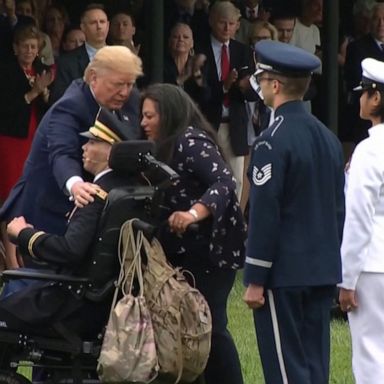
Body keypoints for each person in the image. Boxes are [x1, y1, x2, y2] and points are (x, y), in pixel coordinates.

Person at [243, 40, 345, 384]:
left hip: (284, 274)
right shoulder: (328, 137)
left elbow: (265, 212)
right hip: (321, 269)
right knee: (316, 367)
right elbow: (337, 209)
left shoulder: (272, 140)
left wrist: (256, 277)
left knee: (286, 369)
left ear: (274, 84)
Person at [0, 45, 142, 269]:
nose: (125, 92)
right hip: (47, 206)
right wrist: (75, 184)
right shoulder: (70, 106)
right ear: (93, 78)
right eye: (118, 84)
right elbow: (61, 152)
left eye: (130, 84)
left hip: (90, 214)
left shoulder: (130, 99)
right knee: (34, 291)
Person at [140, 83, 246, 384]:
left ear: (169, 114)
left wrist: (192, 213)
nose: (143, 123)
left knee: (210, 327)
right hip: (182, 252)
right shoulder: (161, 146)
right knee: (187, 329)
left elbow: (225, 183)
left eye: (150, 116)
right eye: (142, 116)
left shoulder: (190, 141)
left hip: (209, 253)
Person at [0, 108, 135, 337]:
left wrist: (23, 234)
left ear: (111, 150)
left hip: (70, 306)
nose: (83, 147)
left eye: (92, 141)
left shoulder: (95, 195)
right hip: (99, 305)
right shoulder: (126, 190)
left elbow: (70, 250)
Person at [338, 58, 384, 384]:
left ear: (376, 98)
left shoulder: (370, 151)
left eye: (364, 93)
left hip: (372, 265)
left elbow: (358, 219)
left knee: (370, 358)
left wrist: (347, 279)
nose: (360, 99)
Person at [196, 1, 256, 204]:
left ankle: (234, 225)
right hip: (209, 123)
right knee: (207, 176)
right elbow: (198, 90)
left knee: (237, 179)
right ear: (212, 21)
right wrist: (224, 86)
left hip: (236, 124)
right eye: (222, 22)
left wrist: (244, 86)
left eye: (231, 23)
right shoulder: (200, 48)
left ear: (238, 25)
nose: (227, 28)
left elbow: (254, 94)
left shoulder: (243, 51)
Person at [0, 25, 53, 206]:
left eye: (33, 46)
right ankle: (6, 234)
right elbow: (5, 108)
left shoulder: (42, 70)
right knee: (9, 186)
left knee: (32, 185)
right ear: (16, 48)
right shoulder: (5, 71)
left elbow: (51, 105)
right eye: (25, 46)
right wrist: (32, 93)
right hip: (11, 137)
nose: (29, 51)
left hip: (36, 136)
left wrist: (44, 93)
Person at [50, 3, 109, 103]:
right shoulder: (66, 62)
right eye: (93, 23)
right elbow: (59, 98)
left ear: (108, 25)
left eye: (102, 22)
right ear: (83, 27)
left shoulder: (122, 57)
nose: (99, 26)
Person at [164, 22, 208, 103]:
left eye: (185, 37)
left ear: (192, 43)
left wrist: (196, 74)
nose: (181, 39)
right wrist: (184, 77)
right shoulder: (161, 65)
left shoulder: (200, 65)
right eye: (176, 37)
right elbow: (162, 94)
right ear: (169, 41)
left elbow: (206, 98)